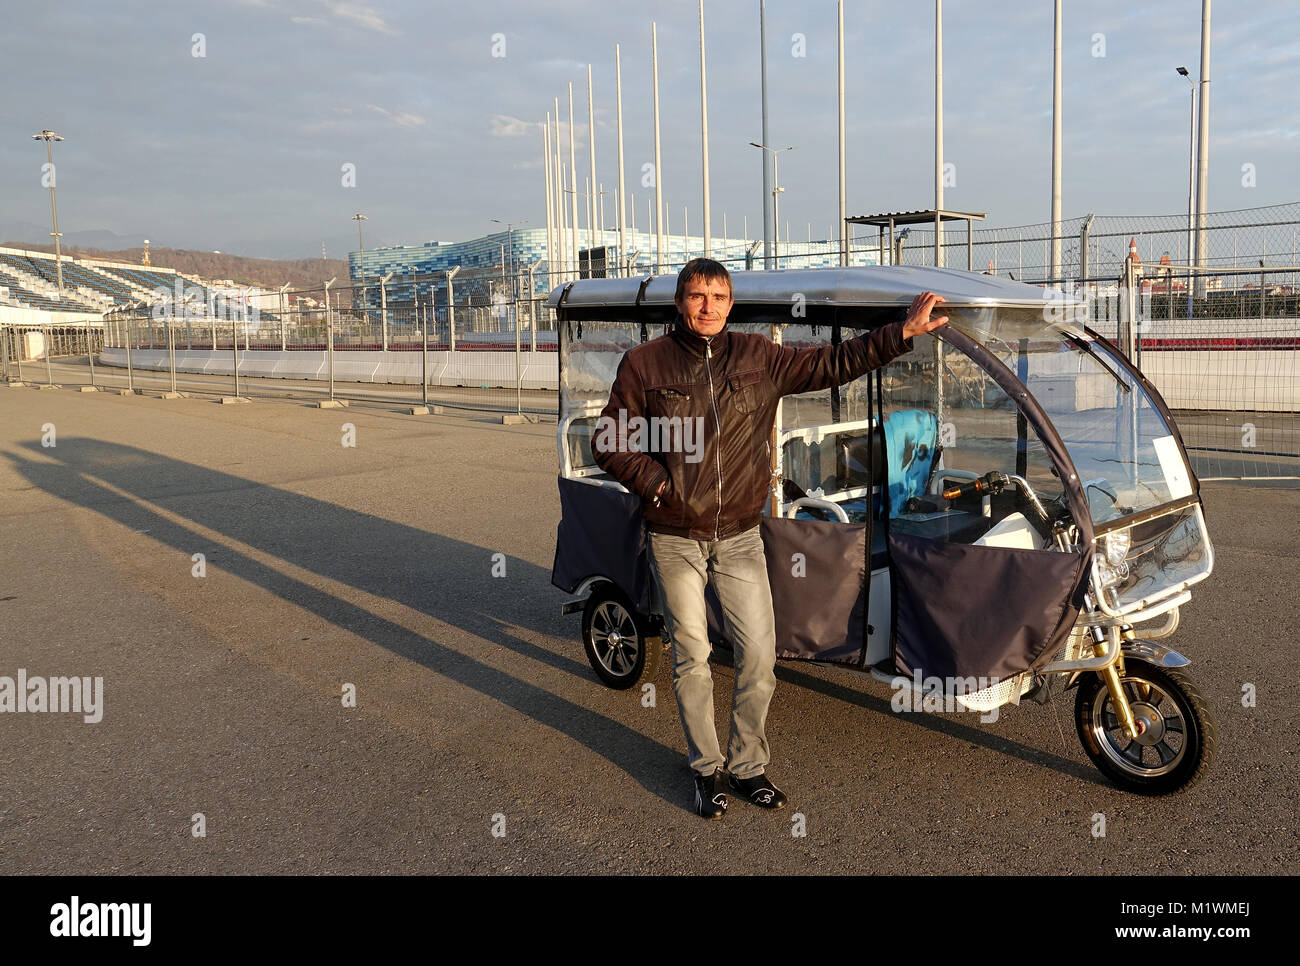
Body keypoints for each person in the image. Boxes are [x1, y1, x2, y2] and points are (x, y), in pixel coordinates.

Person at [594, 258, 948, 819]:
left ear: (730, 303)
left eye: (717, 295)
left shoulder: (760, 357)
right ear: (679, 303)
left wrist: (899, 334)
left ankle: (748, 765)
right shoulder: (644, 364)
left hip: (739, 535)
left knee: (759, 655)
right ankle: (706, 771)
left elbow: (833, 362)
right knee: (692, 655)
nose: (706, 306)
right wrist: (656, 483)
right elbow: (609, 439)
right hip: (674, 535)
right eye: (695, 295)